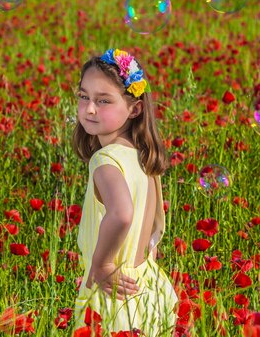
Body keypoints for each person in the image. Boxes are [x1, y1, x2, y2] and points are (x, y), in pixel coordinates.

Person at [71, 49, 179, 336]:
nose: (90, 108)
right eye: (84, 97)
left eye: (103, 100)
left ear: (135, 109)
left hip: (113, 293)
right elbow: (153, 230)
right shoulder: (143, 158)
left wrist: (103, 263)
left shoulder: (105, 160)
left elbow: (122, 214)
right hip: (148, 287)